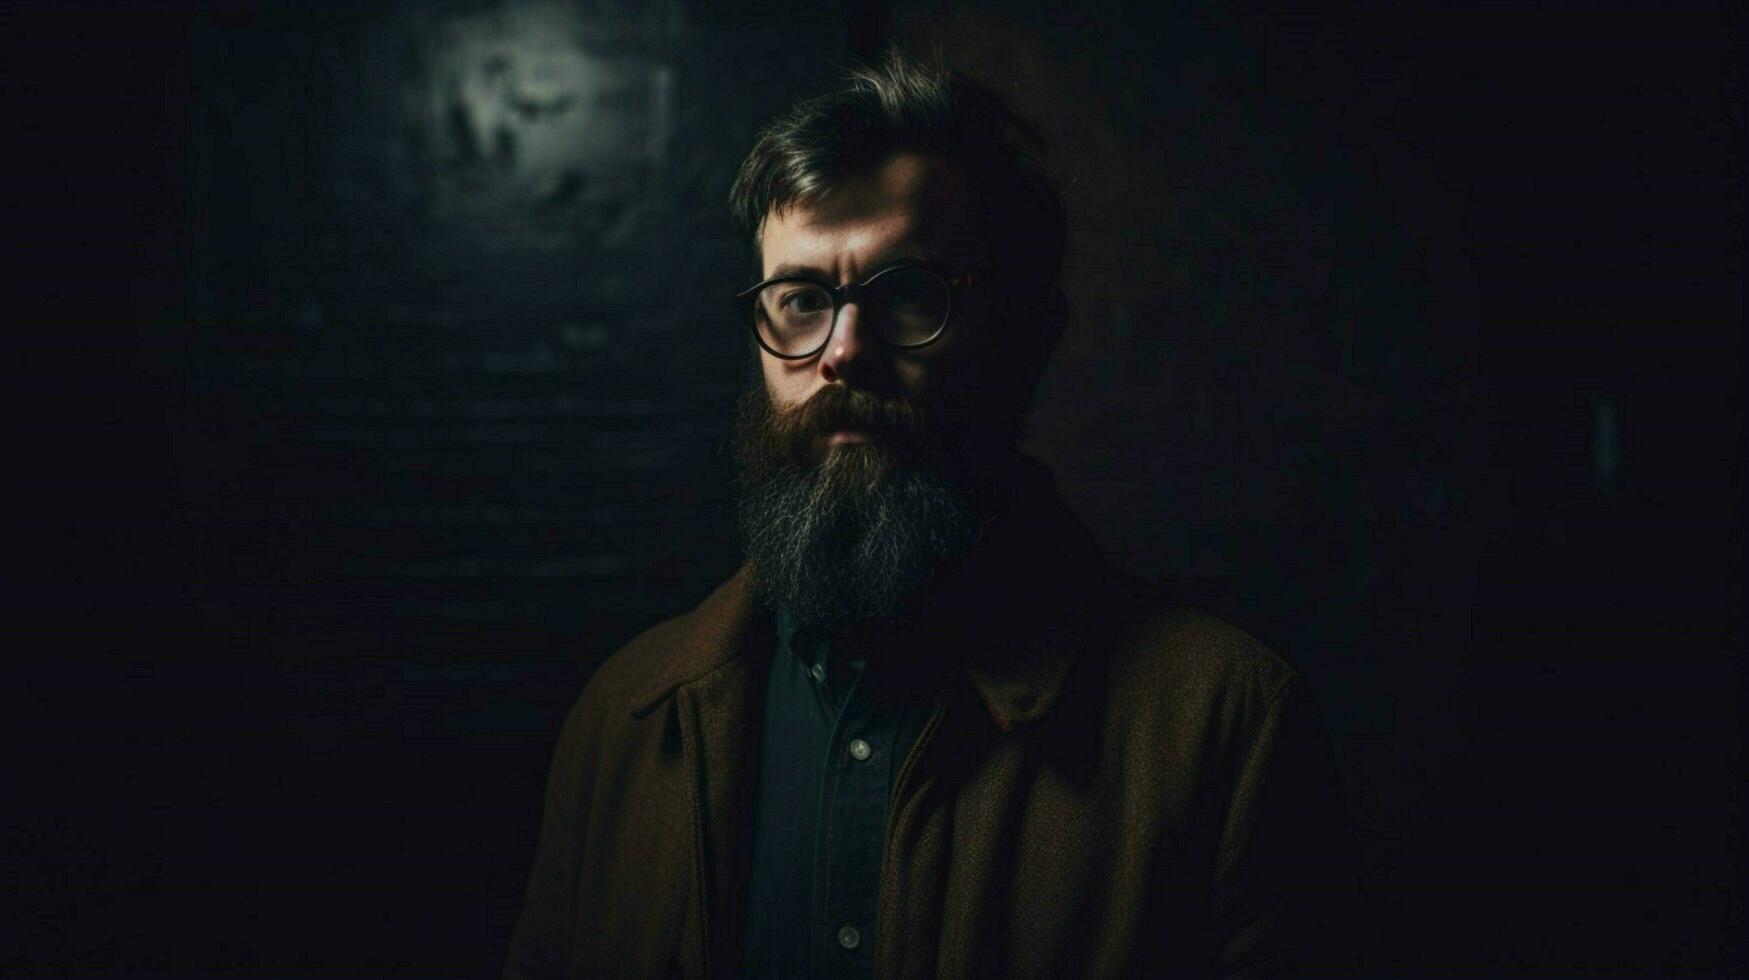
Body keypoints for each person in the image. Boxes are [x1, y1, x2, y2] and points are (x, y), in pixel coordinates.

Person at [505, 50, 1358, 980]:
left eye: (906, 294)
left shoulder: (1222, 730)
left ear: (1028, 334)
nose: (841, 352)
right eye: (799, 300)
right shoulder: (627, 722)